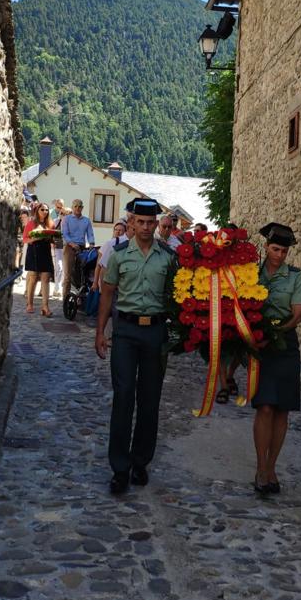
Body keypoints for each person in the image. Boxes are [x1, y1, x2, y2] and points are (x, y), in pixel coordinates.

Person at [95, 198, 176, 494]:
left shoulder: (167, 257)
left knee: (150, 398)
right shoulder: (117, 255)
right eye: (139, 222)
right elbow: (107, 294)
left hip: (155, 332)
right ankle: (119, 467)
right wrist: (100, 332)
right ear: (131, 223)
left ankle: (141, 461)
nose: (144, 227)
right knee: (124, 395)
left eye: (150, 222)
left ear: (157, 224)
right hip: (126, 332)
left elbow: (176, 296)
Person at [253, 222, 301, 496]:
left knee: (282, 409)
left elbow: (297, 313)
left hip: (285, 344)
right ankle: (260, 467)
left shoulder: (295, 277)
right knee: (264, 406)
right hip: (259, 346)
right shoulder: (251, 274)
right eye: (275, 249)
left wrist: (275, 332)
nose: (280, 255)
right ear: (266, 247)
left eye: (284, 251)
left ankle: (272, 466)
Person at [23, 202, 56, 316]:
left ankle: (45, 307)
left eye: (46, 210)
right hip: (34, 251)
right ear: (37, 211)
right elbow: (25, 239)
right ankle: (29, 304)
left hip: (45, 251)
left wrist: (53, 238)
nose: (45, 212)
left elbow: (53, 239)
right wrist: (35, 238)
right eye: (42, 209)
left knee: (46, 278)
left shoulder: (51, 224)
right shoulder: (31, 223)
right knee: (33, 278)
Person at [62, 199, 95, 302]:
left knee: (81, 274)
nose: (77, 208)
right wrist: (72, 244)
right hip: (69, 247)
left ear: (82, 208)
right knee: (68, 275)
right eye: (75, 206)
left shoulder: (86, 220)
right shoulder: (67, 219)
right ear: (72, 207)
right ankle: (65, 299)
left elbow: (90, 234)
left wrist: (91, 243)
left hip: (82, 247)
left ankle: (80, 297)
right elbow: (65, 234)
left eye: (79, 206)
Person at [92, 221, 127, 292]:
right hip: (106, 279)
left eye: (120, 230)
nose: (117, 232)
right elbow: (98, 266)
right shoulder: (108, 244)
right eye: (116, 230)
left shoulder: (126, 245)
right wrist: (95, 283)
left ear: (124, 232)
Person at [50, 198, 66, 297]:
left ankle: (59, 287)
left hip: (66, 247)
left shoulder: (69, 221)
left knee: (64, 268)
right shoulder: (55, 220)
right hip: (57, 246)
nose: (60, 210)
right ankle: (57, 288)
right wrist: (51, 241)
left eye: (61, 208)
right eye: (58, 207)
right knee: (58, 267)